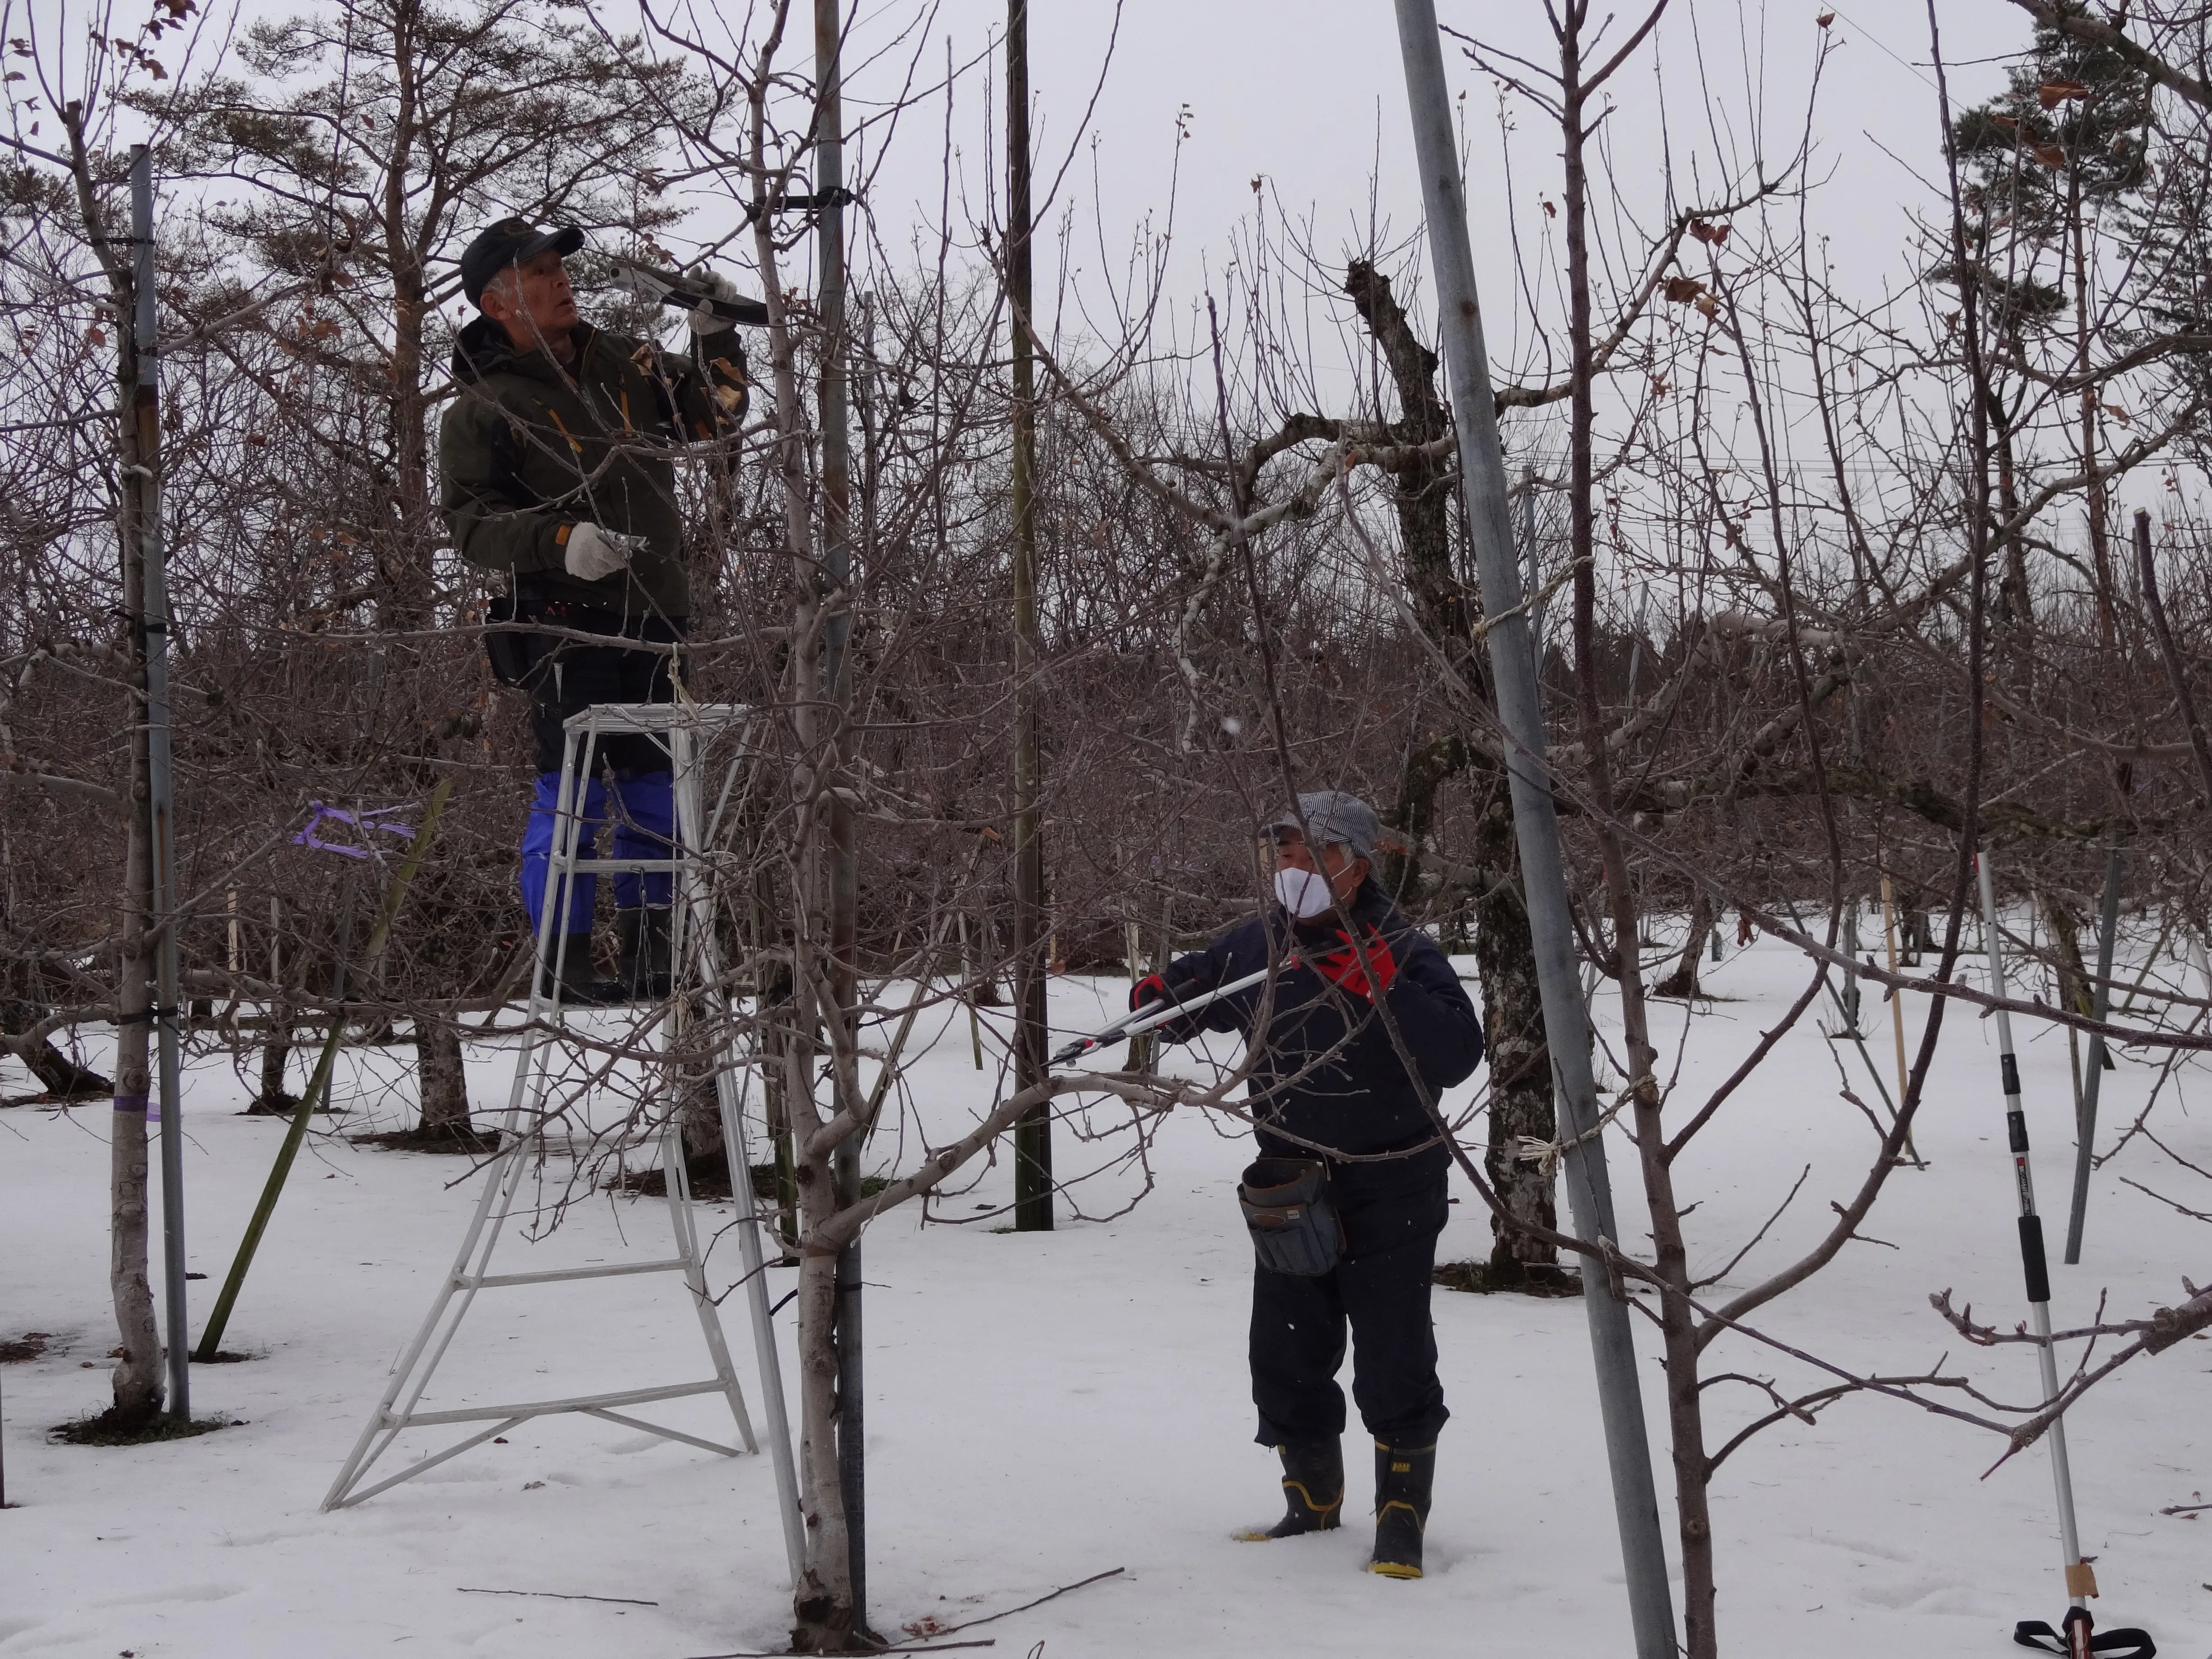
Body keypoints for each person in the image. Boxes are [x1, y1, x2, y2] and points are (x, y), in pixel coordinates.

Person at [1132, 790, 1485, 1578]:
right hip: (1290, 1185)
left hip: (1392, 1180)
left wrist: (1380, 985)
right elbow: (1200, 989)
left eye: (1314, 854)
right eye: (1284, 855)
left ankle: (1400, 1518)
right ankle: (1310, 1500)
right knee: (1286, 1352)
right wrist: (1163, 1001)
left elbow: (1460, 1053)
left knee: (1393, 1353)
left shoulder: (1401, 945)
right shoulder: (1261, 943)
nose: (1294, 869)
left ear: (1358, 865)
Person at [440, 217, 750, 1002]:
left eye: (557, 266)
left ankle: (653, 955)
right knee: (571, 787)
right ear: (497, 301)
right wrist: (559, 538)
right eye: (539, 271)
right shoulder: (483, 410)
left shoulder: (624, 361)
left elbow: (713, 418)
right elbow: (471, 525)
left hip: (655, 612)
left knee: (653, 784)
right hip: (556, 617)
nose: (560, 279)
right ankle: (566, 961)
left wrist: (714, 334)